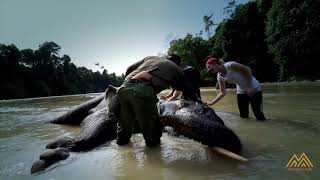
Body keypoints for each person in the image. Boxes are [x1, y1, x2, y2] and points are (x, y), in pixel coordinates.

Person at [117, 56, 198, 147]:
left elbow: (129, 68)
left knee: (125, 123)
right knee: (151, 128)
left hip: (123, 88)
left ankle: (122, 144)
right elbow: (187, 90)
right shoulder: (177, 70)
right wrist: (197, 103)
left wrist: (129, 83)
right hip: (143, 90)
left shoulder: (151, 58)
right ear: (178, 63)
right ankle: (153, 153)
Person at [205, 56, 266, 120]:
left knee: (259, 115)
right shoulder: (219, 77)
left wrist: (250, 88)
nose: (208, 70)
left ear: (215, 63)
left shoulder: (230, 65)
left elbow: (248, 70)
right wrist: (212, 103)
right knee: (243, 116)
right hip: (241, 91)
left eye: (209, 67)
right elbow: (222, 92)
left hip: (254, 87)